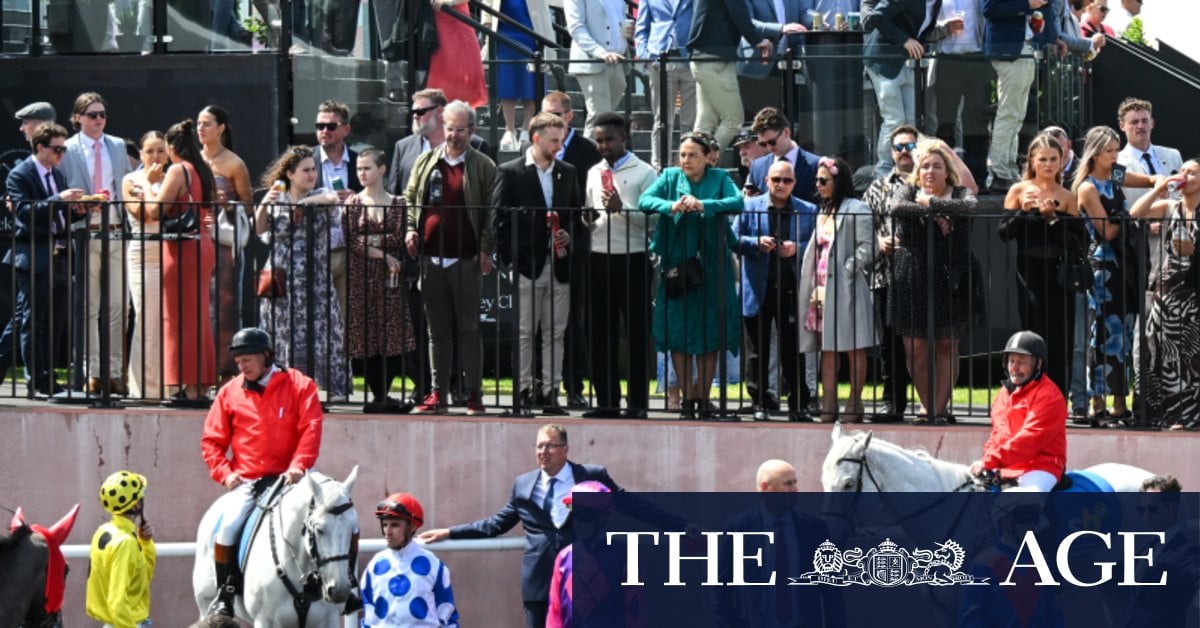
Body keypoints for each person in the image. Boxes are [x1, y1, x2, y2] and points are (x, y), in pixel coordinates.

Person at [416, 424, 625, 628]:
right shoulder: (523, 485)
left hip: (582, 577)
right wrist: (450, 532)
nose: (543, 452)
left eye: (550, 446)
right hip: (539, 582)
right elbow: (496, 524)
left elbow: (625, 502)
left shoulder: (591, 476)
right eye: (539, 446)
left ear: (565, 449)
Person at [200, 327, 324, 617]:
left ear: (266, 356)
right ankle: (225, 592)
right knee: (228, 527)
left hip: (294, 476)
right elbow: (211, 441)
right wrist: (225, 474)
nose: (241, 367)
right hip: (250, 480)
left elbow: (311, 430)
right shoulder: (229, 391)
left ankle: (346, 587)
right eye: (238, 361)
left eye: (247, 360)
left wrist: (298, 466)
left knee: (336, 515)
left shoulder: (301, 385)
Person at [639, 132, 743, 420]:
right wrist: (670, 205)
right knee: (678, 332)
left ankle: (703, 398)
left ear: (708, 156)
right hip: (677, 266)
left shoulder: (720, 177)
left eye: (692, 155)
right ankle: (687, 398)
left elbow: (738, 202)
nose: (685, 160)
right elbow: (645, 200)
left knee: (710, 332)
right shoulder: (670, 177)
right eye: (682, 154)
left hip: (712, 265)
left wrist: (703, 205)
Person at [404, 101, 496, 415]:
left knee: (469, 328)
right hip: (430, 258)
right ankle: (437, 393)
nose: (453, 135)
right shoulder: (426, 161)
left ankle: (473, 394)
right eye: (450, 128)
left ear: (471, 130)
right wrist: (409, 230)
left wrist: (485, 249)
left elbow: (490, 213)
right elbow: (411, 197)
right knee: (436, 331)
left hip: (466, 258)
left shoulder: (483, 165)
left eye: (460, 129)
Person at [495, 112, 585, 413]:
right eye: (554, 140)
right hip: (527, 264)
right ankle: (522, 391)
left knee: (555, 332)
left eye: (561, 139)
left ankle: (550, 392)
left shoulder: (568, 171)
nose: (559, 146)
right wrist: (512, 259)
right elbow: (499, 219)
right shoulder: (511, 171)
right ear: (536, 139)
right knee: (524, 330)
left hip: (559, 264)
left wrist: (567, 236)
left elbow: (574, 214)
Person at [888, 140, 981, 422]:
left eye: (937, 166)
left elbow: (970, 207)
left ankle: (939, 409)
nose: (930, 171)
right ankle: (927, 405)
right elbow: (897, 208)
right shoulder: (907, 190)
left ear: (947, 171)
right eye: (925, 166)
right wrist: (934, 210)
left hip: (950, 276)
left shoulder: (960, 192)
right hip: (912, 275)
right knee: (914, 346)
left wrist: (933, 203)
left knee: (945, 344)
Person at [1072, 126, 1155, 425]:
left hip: (1124, 264)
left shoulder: (1114, 175)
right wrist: (1133, 216)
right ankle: (1097, 400)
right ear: (1095, 153)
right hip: (1102, 268)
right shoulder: (1088, 187)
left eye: (1116, 150)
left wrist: (1161, 180)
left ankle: (1121, 401)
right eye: (1109, 150)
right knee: (1103, 334)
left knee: (1125, 330)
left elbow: (1143, 179)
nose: (1115, 155)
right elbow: (1105, 231)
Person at [255, 146, 349, 400]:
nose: (311, 174)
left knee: (320, 329)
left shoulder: (319, 194)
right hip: (282, 276)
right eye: (305, 170)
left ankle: (324, 386)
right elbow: (259, 226)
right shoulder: (278, 199)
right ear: (290, 173)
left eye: (313, 170)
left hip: (314, 276)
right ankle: (282, 385)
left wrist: (304, 203)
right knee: (282, 330)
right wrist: (266, 200)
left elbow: (332, 199)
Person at [581, 112, 658, 419]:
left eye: (609, 139)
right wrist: (586, 218)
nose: (604, 146)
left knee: (637, 333)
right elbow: (589, 211)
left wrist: (622, 208)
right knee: (600, 333)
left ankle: (638, 403)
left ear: (624, 137)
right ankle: (606, 401)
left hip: (634, 257)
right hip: (598, 257)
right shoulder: (592, 171)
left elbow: (653, 219)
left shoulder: (645, 172)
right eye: (599, 140)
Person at [139, 119, 218, 404]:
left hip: (181, 249)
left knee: (178, 319)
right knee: (197, 316)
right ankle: (200, 385)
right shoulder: (203, 169)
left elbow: (155, 211)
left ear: (172, 148)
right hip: (202, 245)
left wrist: (148, 186)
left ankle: (190, 386)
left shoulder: (178, 169)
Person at [999, 134, 1083, 400]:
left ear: (1061, 162)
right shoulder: (1019, 190)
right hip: (1028, 271)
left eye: (1053, 159)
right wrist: (1023, 212)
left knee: (1059, 335)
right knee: (1032, 332)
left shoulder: (1068, 196)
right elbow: (1005, 234)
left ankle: (1057, 396)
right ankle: (1029, 392)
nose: (1048, 164)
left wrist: (1053, 219)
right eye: (1043, 159)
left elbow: (1076, 243)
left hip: (1057, 273)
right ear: (1033, 161)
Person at [1, 122, 80, 398]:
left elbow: (61, 217)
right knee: (33, 321)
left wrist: (81, 210)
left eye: (64, 148)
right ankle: (37, 380)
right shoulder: (20, 174)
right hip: (34, 257)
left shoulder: (56, 175)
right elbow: (25, 213)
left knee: (54, 322)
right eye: (57, 149)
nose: (61, 154)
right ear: (40, 147)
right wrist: (60, 199)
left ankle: (48, 379)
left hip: (59, 255)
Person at [715, 459, 845, 627]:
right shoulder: (738, 528)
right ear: (764, 488)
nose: (794, 490)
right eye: (787, 484)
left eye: (795, 483)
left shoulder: (813, 529)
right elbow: (721, 589)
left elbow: (831, 589)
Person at [60, 92, 131, 396]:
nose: (99, 119)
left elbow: (126, 185)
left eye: (102, 114)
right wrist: (77, 206)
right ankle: (92, 372)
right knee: (89, 307)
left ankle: (113, 373)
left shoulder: (116, 145)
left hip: (116, 229)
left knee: (118, 306)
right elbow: (57, 188)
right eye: (92, 115)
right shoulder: (67, 148)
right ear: (78, 118)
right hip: (84, 231)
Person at [733, 160, 816, 422]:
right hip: (758, 289)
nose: (781, 185)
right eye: (776, 180)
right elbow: (733, 239)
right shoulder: (749, 206)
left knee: (794, 351)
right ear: (766, 181)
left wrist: (797, 249)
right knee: (757, 351)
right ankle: (760, 402)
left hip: (791, 290)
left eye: (787, 180)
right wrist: (755, 243)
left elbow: (819, 244)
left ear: (794, 183)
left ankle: (798, 404)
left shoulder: (807, 210)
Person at [799, 156, 877, 423]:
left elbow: (869, 246)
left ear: (838, 181)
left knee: (854, 346)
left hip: (847, 288)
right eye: (817, 180)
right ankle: (829, 403)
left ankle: (855, 402)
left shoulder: (857, 207)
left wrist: (848, 268)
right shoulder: (824, 210)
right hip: (821, 289)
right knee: (827, 348)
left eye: (824, 180)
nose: (818, 185)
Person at [1130, 162, 1200, 431]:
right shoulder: (1171, 207)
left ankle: (1190, 415)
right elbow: (1136, 213)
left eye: (1192, 172)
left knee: (1190, 355)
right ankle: (1170, 415)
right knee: (1160, 353)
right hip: (1166, 293)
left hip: (1193, 294)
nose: (1185, 176)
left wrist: (1196, 250)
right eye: (1183, 171)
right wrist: (1158, 187)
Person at [345, 148, 416, 412]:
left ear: (382, 170)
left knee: (393, 335)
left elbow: (398, 236)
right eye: (359, 169)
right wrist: (383, 253)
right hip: (362, 277)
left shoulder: (398, 203)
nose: (362, 173)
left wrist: (374, 245)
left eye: (367, 168)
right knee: (368, 335)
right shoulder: (353, 203)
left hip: (391, 280)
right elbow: (352, 240)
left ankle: (386, 393)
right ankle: (376, 395)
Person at [542, 92, 601, 410]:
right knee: (538, 321)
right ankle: (540, 386)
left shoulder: (586, 151)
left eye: (554, 115)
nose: (549, 120)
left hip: (575, 248)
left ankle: (574, 385)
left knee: (573, 320)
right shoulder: (533, 149)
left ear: (569, 117)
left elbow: (589, 203)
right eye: (543, 115)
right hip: (539, 249)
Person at [862, 126, 919, 421]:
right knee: (891, 344)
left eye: (910, 146)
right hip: (886, 275)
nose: (904, 152)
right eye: (899, 147)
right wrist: (877, 242)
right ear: (891, 152)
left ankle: (932, 406)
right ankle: (892, 403)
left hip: (922, 275)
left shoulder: (929, 183)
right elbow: (862, 225)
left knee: (925, 343)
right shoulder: (877, 188)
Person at [197, 105, 253, 383]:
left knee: (225, 307)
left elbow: (248, 206)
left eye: (207, 123)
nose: (201, 129)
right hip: (195, 241)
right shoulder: (191, 161)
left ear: (221, 128)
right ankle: (199, 371)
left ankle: (227, 372)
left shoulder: (234, 163)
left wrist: (226, 203)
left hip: (224, 246)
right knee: (197, 306)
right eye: (198, 123)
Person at [970, 331, 1067, 491]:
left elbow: (1029, 440)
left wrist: (989, 461)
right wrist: (987, 459)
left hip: (1041, 468)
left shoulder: (1050, 396)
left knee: (1022, 506)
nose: (1014, 368)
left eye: (1021, 362)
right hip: (1005, 466)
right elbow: (998, 434)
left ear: (1038, 364)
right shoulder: (1005, 392)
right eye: (1011, 361)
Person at [982, 0, 1058, 193]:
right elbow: (990, 8)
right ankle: (999, 174)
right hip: (1009, 51)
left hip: (1025, 48)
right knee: (1009, 113)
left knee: (1016, 114)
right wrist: (1027, 4)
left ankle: (1007, 170)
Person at [862, 0, 942, 179]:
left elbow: (922, 30)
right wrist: (904, 40)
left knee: (911, 122)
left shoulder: (937, 2)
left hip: (908, 63)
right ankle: (882, 174)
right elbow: (876, 16)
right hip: (883, 61)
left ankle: (906, 173)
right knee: (894, 121)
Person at [959, 493, 1064, 625]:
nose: (1031, 525)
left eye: (1035, 519)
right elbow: (971, 620)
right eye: (1025, 517)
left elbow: (1053, 613)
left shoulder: (1042, 562)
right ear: (1005, 521)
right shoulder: (983, 565)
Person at [361, 493, 459, 627]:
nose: (387, 532)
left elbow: (447, 618)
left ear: (413, 526)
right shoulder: (374, 566)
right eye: (385, 525)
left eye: (394, 525)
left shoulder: (434, 565)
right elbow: (368, 620)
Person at [686, 0, 771, 154]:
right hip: (716, 60)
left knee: (706, 121)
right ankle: (704, 164)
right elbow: (738, 12)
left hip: (703, 58)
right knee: (733, 121)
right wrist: (757, 40)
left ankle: (693, 167)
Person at [122, 131, 168, 399]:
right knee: (146, 320)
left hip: (172, 254)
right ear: (141, 154)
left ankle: (169, 384)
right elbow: (142, 213)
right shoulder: (131, 179)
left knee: (168, 322)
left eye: (160, 150)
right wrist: (150, 185)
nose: (155, 157)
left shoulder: (174, 177)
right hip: (143, 254)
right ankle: (144, 388)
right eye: (150, 151)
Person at [926, 0, 991, 184]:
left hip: (978, 60)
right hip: (948, 62)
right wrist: (944, 28)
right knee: (946, 123)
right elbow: (925, 30)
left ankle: (978, 176)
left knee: (977, 122)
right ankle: (946, 177)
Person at [482, 0, 555, 151]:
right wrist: (487, 22)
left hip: (531, 29)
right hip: (504, 30)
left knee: (531, 82)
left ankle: (527, 128)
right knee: (507, 82)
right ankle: (509, 130)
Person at [1127, 475, 1200, 627]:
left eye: (1152, 509)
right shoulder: (1148, 547)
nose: (1146, 515)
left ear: (1172, 507)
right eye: (1142, 509)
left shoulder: (1186, 551)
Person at [86, 470, 156, 628]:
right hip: (129, 623)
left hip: (113, 623)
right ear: (137, 504)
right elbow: (117, 602)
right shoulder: (126, 543)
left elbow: (142, 578)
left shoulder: (102, 531)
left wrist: (146, 543)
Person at [635, 0, 697, 171]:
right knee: (662, 119)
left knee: (689, 121)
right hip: (659, 59)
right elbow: (641, 29)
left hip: (689, 58)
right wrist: (646, 56)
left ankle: (687, 166)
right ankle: (659, 167)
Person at [565, 0, 630, 135]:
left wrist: (627, 33)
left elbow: (618, 21)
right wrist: (600, 52)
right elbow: (576, 27)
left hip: (617, 61)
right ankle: (591, 155)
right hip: (592, 63)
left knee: (603, 118)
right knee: (600, 117)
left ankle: (591, 153)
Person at [747, 107, 821, 205]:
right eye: (763, 144)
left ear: (786, 132)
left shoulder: (815, 165)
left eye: (772, 142)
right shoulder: (757, 167)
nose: (769, 148)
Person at [425, 0, 487, 109]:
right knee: (444, 65)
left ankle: (460, 112)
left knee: (472, 67)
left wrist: (451, 2)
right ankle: (441, 110)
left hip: (460, 15)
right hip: (440, 17)